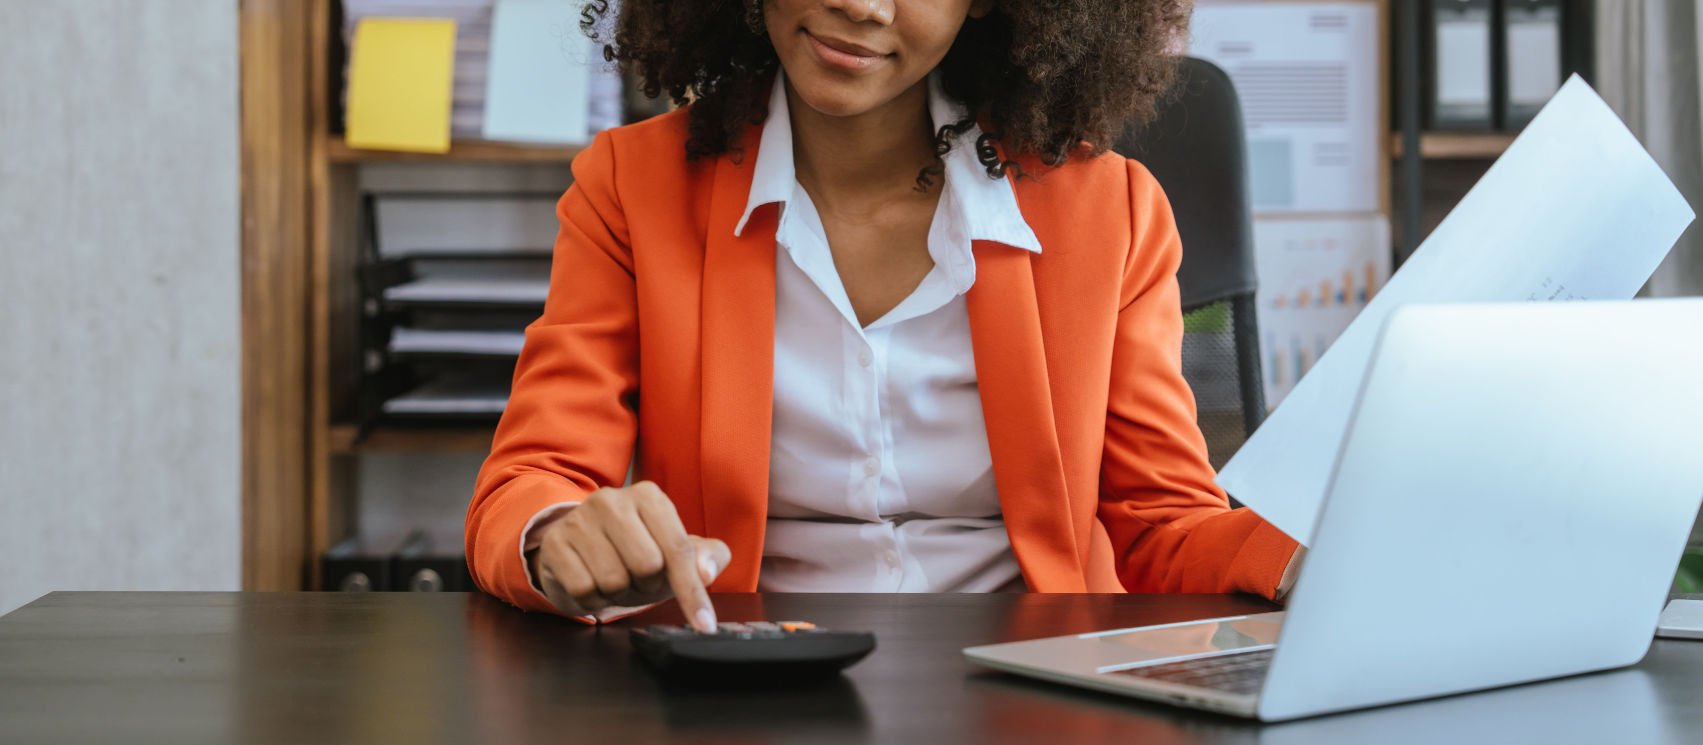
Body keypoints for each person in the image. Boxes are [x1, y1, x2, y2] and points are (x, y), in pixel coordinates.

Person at [465, 0, 1301, 630]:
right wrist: (557, 533)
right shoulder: (632, 188)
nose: (865, 5)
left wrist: (1307, 557)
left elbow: (1159, 527)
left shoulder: (1106, 208)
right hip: (744, 680)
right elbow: (530, 479)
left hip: (1029, 687)